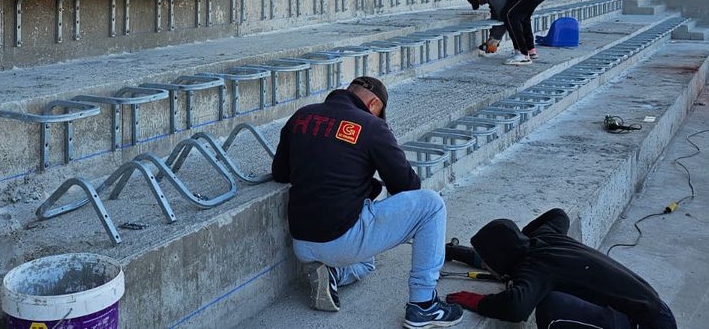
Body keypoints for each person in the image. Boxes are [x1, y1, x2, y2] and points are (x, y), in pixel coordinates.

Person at [273, 76, 464, 328]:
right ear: (374, 104)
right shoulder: (372, 126)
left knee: (366, 262)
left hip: (302, 242)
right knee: (431, 204)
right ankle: (423, 304)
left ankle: (333, 274)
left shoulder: (302, 116)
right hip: (341, 239)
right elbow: (407, 188)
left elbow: (280, 173)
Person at [447, 208, 676, 329]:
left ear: (503, 261)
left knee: (551, 306)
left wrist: (477, 301)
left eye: (488, 263)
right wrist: (455, 252)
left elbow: (515, 308)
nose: (484, 265)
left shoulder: (534, 269)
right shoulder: (545, 236)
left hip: (645, 325)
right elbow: (559, 214)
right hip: (657, 310)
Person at [465, 0, 557, 66]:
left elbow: (502, 15)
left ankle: (522, 54)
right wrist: (493, 37)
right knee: (522, 16)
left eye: (479, 2)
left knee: (510, 15)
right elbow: (495, 11)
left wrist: (494, 40)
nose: (482, 4)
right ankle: (530, 49)